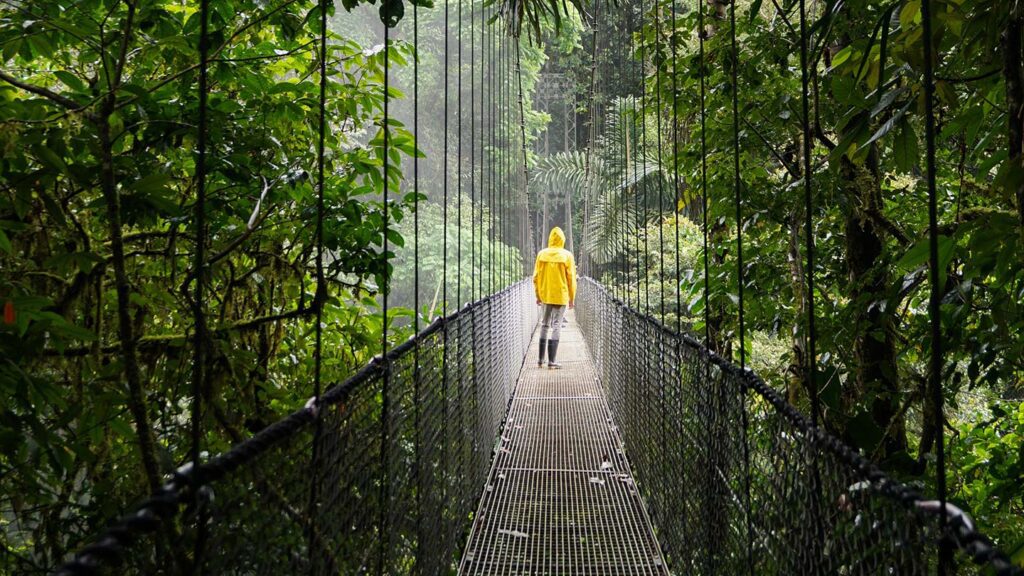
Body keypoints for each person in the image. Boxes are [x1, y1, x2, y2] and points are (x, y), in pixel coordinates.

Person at [533, 226, 577, 369]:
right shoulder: (567, 256)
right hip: (561, 295)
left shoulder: (541, 254)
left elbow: (536, 277)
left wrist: (538, 295)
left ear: (550, 238)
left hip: (546, 295)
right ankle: (552, 362)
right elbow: (571, 279)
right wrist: (572, 297)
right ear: (563, 239)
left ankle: (540, 360)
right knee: (556, 325)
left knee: (544, 324)